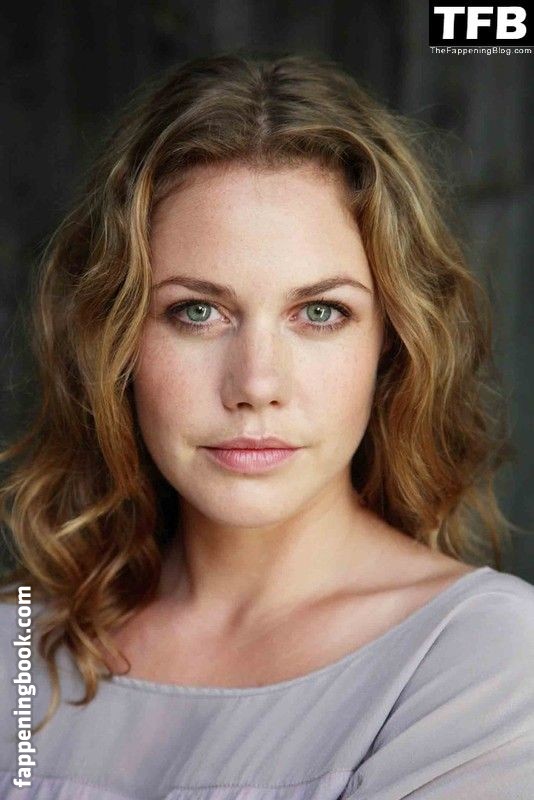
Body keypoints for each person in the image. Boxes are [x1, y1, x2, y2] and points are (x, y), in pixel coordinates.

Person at [0, 51, 533, 800]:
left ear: (391, 343)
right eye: (197, 311)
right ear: (113, 338)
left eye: (320, 312)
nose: (255, 385)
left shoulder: (481, 657)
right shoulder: (19, 644)